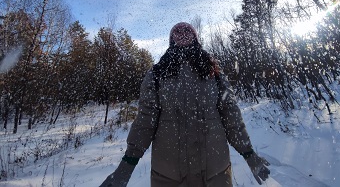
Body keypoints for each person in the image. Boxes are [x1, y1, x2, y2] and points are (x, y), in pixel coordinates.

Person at [100, 22, 270, 187]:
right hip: (168, 176)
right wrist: (126, 167)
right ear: (171, 39)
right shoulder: (157, 74)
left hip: (215, 173)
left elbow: (231, 117)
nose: (182, 34)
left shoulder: (214, 73)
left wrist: (249, 154)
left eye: (187, 31)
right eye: (177, 32)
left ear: (195, 38)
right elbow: (145, 122)